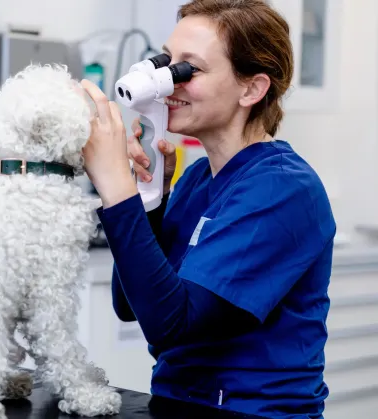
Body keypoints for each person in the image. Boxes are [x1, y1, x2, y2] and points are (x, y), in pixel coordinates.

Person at [80, 0, 336, 418]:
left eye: (188, 70)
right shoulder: (198, 178)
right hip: (176, 401)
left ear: (252, 89)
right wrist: (148, 204)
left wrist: (116, 189)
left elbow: (172, 325)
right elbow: (131, 307)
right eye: (166, 62)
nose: (166, 83)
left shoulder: (283, 188)